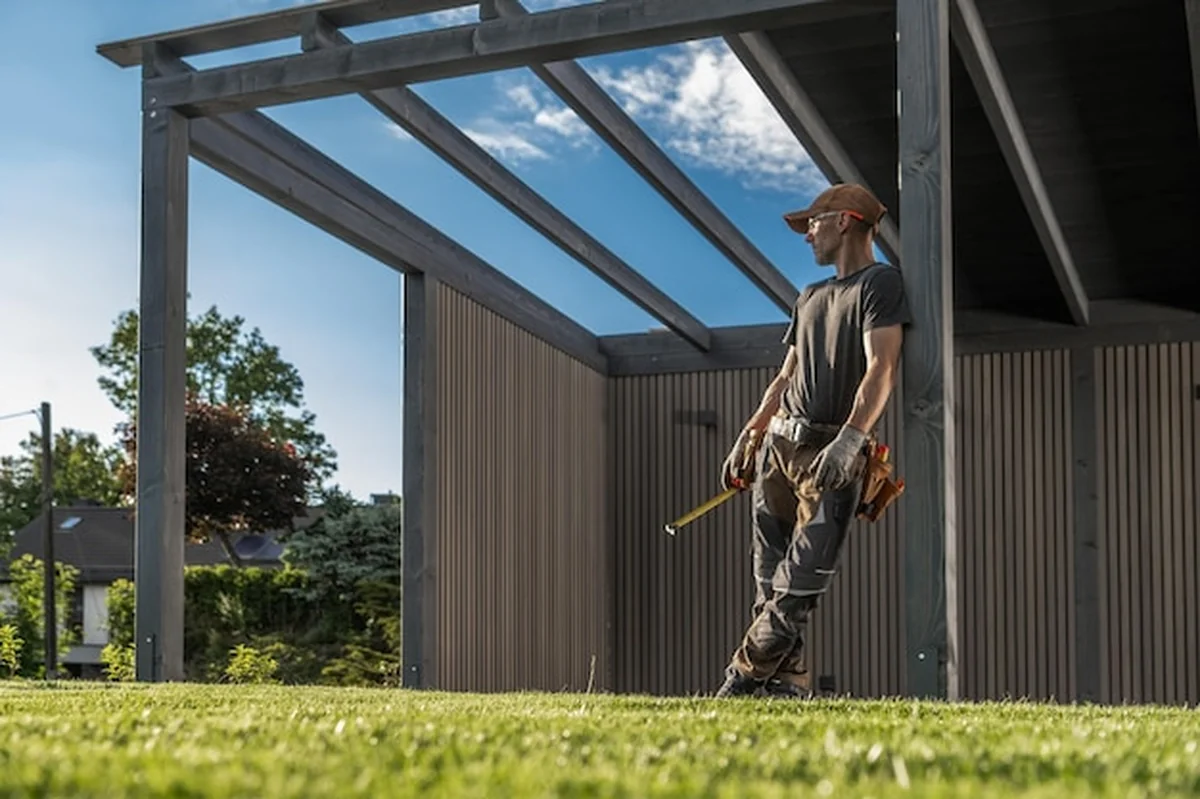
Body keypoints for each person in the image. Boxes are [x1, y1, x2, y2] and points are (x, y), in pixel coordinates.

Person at [714, 183, 911, 699]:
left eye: (814, 223)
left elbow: (882, 367)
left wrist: (851, 439)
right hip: (777, 451)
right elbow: (785, 377)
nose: (807, 236)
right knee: (768, 584)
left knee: (796, 587)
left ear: (845, 221)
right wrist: (752, 433)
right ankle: (785, 684)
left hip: (830, 458)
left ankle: (739, 681)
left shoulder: (880, 285)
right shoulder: (809, 297)